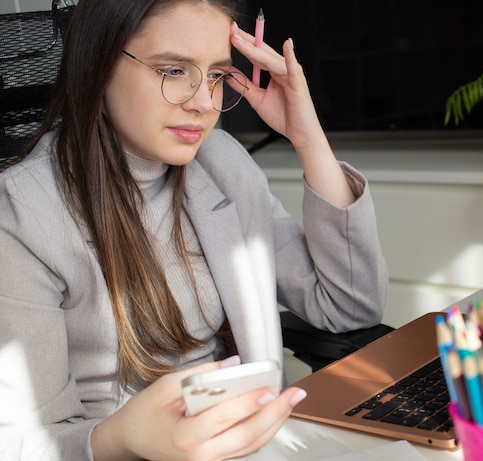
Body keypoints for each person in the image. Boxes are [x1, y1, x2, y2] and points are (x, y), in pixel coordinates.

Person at [0, 0, 387, 459]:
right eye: (172, 71)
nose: (205, 103)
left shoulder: (221, 163)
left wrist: (307, 137)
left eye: (217, 76)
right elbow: (25, 440)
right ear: (100, 66)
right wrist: (121, 439)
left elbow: (348, 306)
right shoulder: (22, 212)